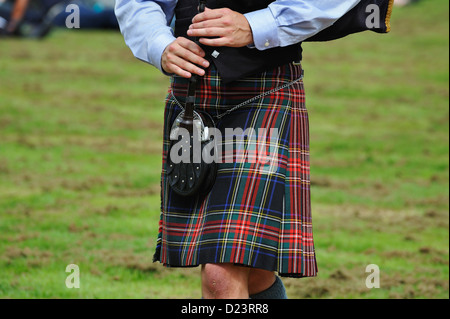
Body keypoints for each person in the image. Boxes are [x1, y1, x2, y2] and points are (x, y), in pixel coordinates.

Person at [115, 0, 393, 299]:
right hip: (192, 96)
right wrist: (158, 43)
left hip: (265, 89)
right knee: (254, 272)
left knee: (221, 270)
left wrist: (259, 25)